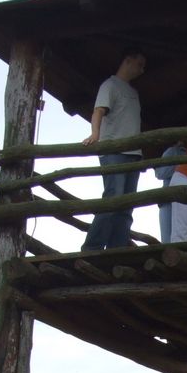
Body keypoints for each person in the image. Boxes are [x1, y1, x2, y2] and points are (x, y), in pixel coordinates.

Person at [80, 50, 147, 250]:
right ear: (127, 60)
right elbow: (99, 111)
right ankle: (92, 248)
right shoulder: (110, 85)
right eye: (139, 64)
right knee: (114, 198)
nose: (142, 70)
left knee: (126, 205)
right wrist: (95, 134)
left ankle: (117, 249)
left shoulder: (134, 93)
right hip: (114, 151)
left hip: (133, 154)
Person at [153, 141, 187, 242]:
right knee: (168, 239)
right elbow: (160, 173)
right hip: (169, 201)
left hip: (185, 200)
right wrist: (180, 167)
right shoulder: (173, 151)